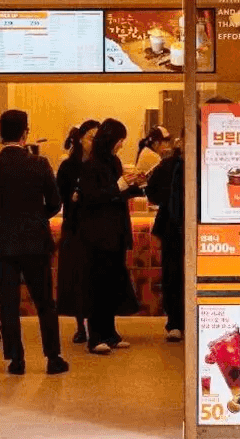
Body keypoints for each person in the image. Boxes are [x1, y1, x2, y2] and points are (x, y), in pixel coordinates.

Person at [0, 110, 69, 376]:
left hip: (3, 243)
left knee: (8, 303)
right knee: (44, 302)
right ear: (25, 133)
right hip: (36, 243)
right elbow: (55, 202)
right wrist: (37, 218)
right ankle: (53, 357)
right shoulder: (39, 164)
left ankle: (16, 360)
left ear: (0, 134)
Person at [76, 118, 141, 354]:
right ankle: (95, 337)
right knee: (98, 286)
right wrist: (120, 186)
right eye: (120, 140)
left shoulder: (113, 162)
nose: (122, 145)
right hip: (98, 234)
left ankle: (110, 333)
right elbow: (93, 198)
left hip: (116, 231)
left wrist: (135, 187)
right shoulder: (91, 165)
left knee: (112, 285)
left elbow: (116, 195)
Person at [56, 120, 99, 344]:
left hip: (97, 229)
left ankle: (98, 326)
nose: (94, 142)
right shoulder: (68, 166)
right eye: (91, 137)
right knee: (77, 280)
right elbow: (58, 197)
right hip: (74, 228)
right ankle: (81, 325)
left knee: (95, 280)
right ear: (81, 139)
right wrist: (73, 197)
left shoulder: (101, 164)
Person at [146, 143, 185, 342]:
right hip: (172, 227)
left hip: (174, 226)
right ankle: (175, 322)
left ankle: (178, 322)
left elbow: (151, 192)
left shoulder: (169, 164)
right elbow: (151, 192)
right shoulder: (169, 165)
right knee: (173, 274)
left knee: (174, 274)